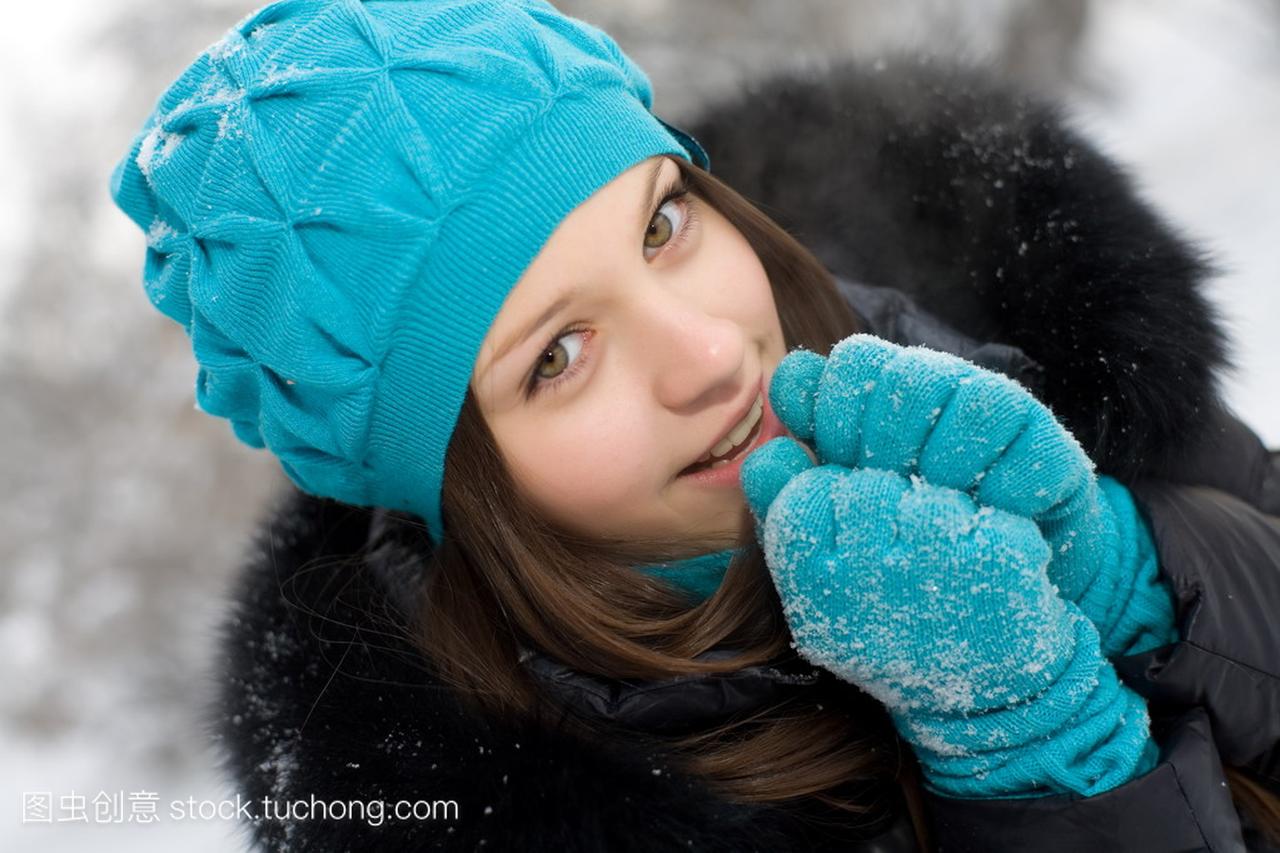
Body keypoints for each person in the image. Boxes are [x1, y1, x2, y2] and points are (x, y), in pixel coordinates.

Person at [109, 0, 1280, 849]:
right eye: (558, 357)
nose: (712, 353)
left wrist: (1126, 572)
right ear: (452, 482)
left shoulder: (1017, 356)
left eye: (661, 226)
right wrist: (1033, 755)